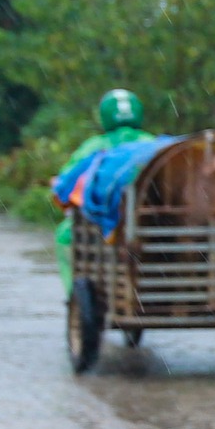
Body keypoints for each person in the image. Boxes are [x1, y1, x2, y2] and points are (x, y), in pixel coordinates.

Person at [56, 89, 147, 292]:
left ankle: (74, 296)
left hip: (106, 224)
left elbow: (66, 184)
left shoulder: (95, 146)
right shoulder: (154, 144)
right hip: (153, 222)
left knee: (64, 234)